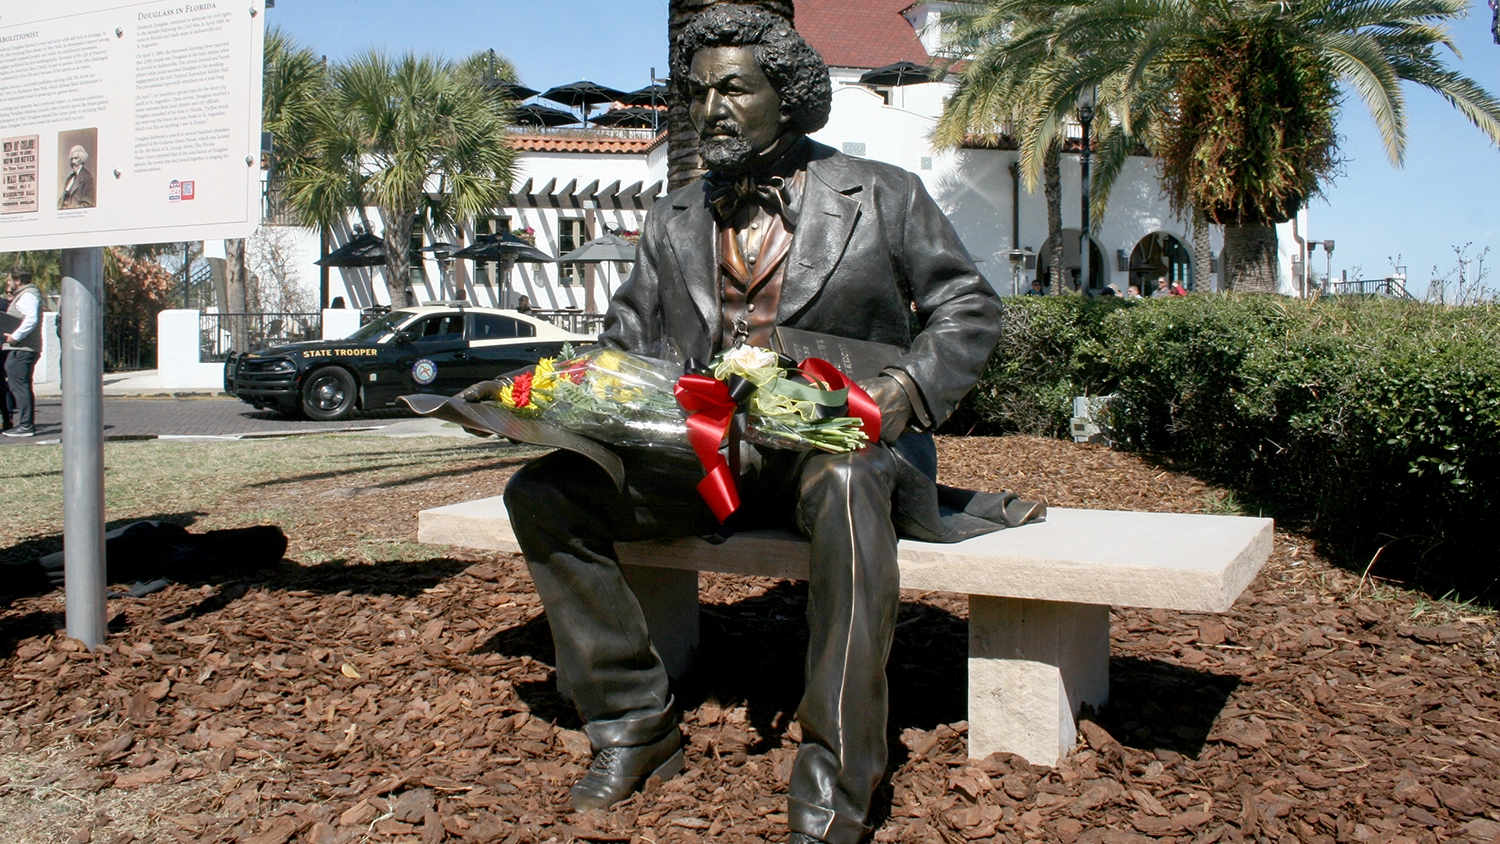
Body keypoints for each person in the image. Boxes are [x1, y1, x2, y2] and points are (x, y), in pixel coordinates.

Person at [471, 7, 1032, 844]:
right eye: (697, 94)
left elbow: (966, 308)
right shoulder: (672, 218)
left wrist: (898, 398)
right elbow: (627, 344)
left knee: (845, 485)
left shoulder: (883, 193)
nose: (711, 110)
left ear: (789, 93)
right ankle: (634, 727)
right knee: (545, 493)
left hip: (835, 451)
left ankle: (837, 780)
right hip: (706, 459)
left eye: (734, 87)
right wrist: (569, 402)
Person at [4, 266, 42, 437]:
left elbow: (31, 319)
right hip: (21, 348)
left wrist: (15, 337)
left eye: (10, 279)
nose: (8, 283)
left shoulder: (27, 295)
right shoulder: (26, 294)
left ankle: (26, 425)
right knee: (19, 385)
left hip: (23, 348)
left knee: (19, 386)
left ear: (18, 281)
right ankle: (25, 424)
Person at [58, 145, 96, 210]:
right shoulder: (69, 178)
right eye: (72, 159)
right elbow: (62, 200)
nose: (73, 162)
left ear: (82, 159)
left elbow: (86, 204)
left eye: (76, 158)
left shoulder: (88, 178)